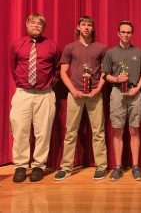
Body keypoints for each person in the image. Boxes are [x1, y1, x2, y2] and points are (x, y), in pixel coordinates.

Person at [54, 16, 108, 181]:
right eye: (83, 25)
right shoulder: (70, 47)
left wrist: (98, 89)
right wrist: (73, 90)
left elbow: (105, 72)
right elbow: (63, 72)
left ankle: (101, 166)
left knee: (98, 131)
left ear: (92, 28)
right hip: (75, 94)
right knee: (71, 132)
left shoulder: (101, 47)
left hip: (94, 95)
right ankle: (66, 167)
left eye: (89, 25)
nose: (86, 28)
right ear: (78, 27)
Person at [10, 13, 60, 182]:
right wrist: (21, 82)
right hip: (22, 94)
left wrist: (50, 82)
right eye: (33, 23)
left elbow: (58, 68)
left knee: (43, 132)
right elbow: (13, 66)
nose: (36, 26)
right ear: (27, 25)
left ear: (44, 28)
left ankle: (39, 165)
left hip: (44, 95)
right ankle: (21, 166)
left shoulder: (52, 46)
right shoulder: (17, 45)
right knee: (20, 131)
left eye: (40, 24)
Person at [102, 21, 141, 181]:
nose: (126, 34)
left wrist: (138, 88)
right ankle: (118, 167)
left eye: (129, 32)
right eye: (123, 32)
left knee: (134, 130)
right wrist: (115, 78)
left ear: (132, 34)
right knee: (117, 130)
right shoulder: (110, 53)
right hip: (117, 93)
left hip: (134, 92)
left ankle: (136, 166)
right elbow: (105, 75)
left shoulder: (139, 52)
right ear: (118, 33)